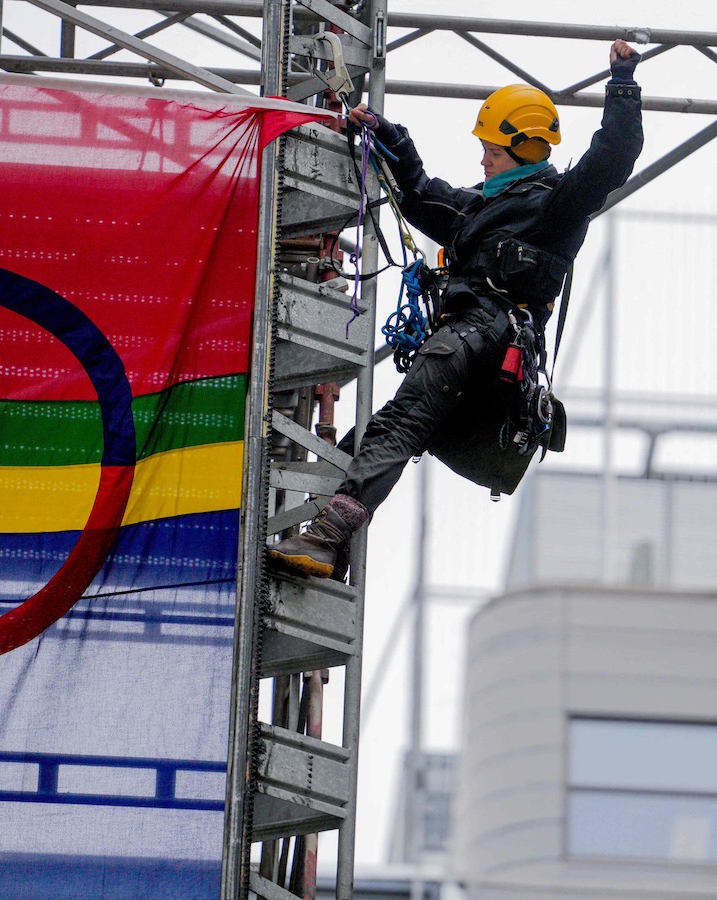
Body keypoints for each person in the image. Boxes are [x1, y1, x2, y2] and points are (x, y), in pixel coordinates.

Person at [269, 40, 645, 579]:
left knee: (399, 424)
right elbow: (419, 193)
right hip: (470, 348)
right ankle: (329, 551)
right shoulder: (479, 208)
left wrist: (623, 82)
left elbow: (613, 156)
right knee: (371, 439)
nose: (483, 157)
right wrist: (387, 134)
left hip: (481, 342)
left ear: (524, 149)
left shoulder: (557, 206)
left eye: (492, 149)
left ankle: (326, 541)